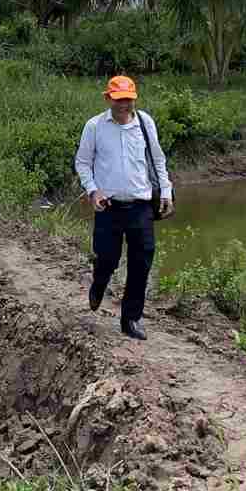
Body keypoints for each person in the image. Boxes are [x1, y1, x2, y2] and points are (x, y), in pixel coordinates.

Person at [74, 75, 174, 341]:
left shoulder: (144, 123)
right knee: (107, 259)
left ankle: (131, 318)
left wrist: (165, 191)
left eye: (128, 99)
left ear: (134, 98)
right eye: (118, 100)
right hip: (108, 206)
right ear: (108, 99)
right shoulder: (94, 127)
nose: (124, 105)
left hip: (141, 205)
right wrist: (93, 190)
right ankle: (99, 283)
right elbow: (83, 163)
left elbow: (157, 158)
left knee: (142, 261)